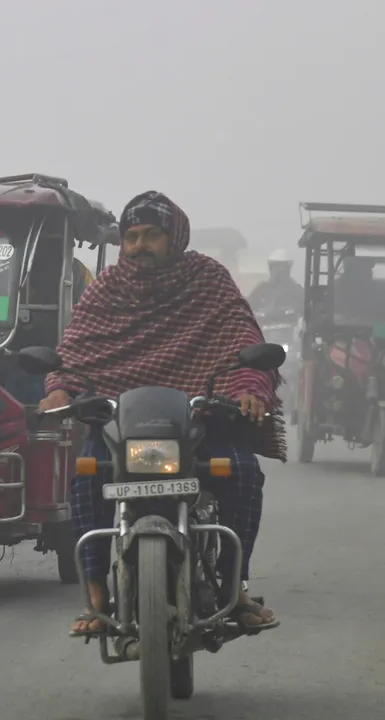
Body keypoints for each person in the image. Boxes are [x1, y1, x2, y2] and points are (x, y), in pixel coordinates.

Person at [41, 191, 283, 636]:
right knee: (85, 476)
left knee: (245, 474)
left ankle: (235, 589)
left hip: (199, 419)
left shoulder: (208, 279)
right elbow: (74, 355)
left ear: (175, 237)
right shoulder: (107, 288)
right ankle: (96, 596)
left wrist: (250, 391)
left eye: (152, 235)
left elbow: (241, 346)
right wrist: (59, 389)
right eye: (131, 237)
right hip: (120, 423)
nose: (139, 246)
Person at [248, 249, 304, 317]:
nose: (275, 270)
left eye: (279, 266)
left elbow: (302, 311)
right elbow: (247, 307)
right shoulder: (261, 289)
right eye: (272, 266)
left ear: (287, 268)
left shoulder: (297, 291)